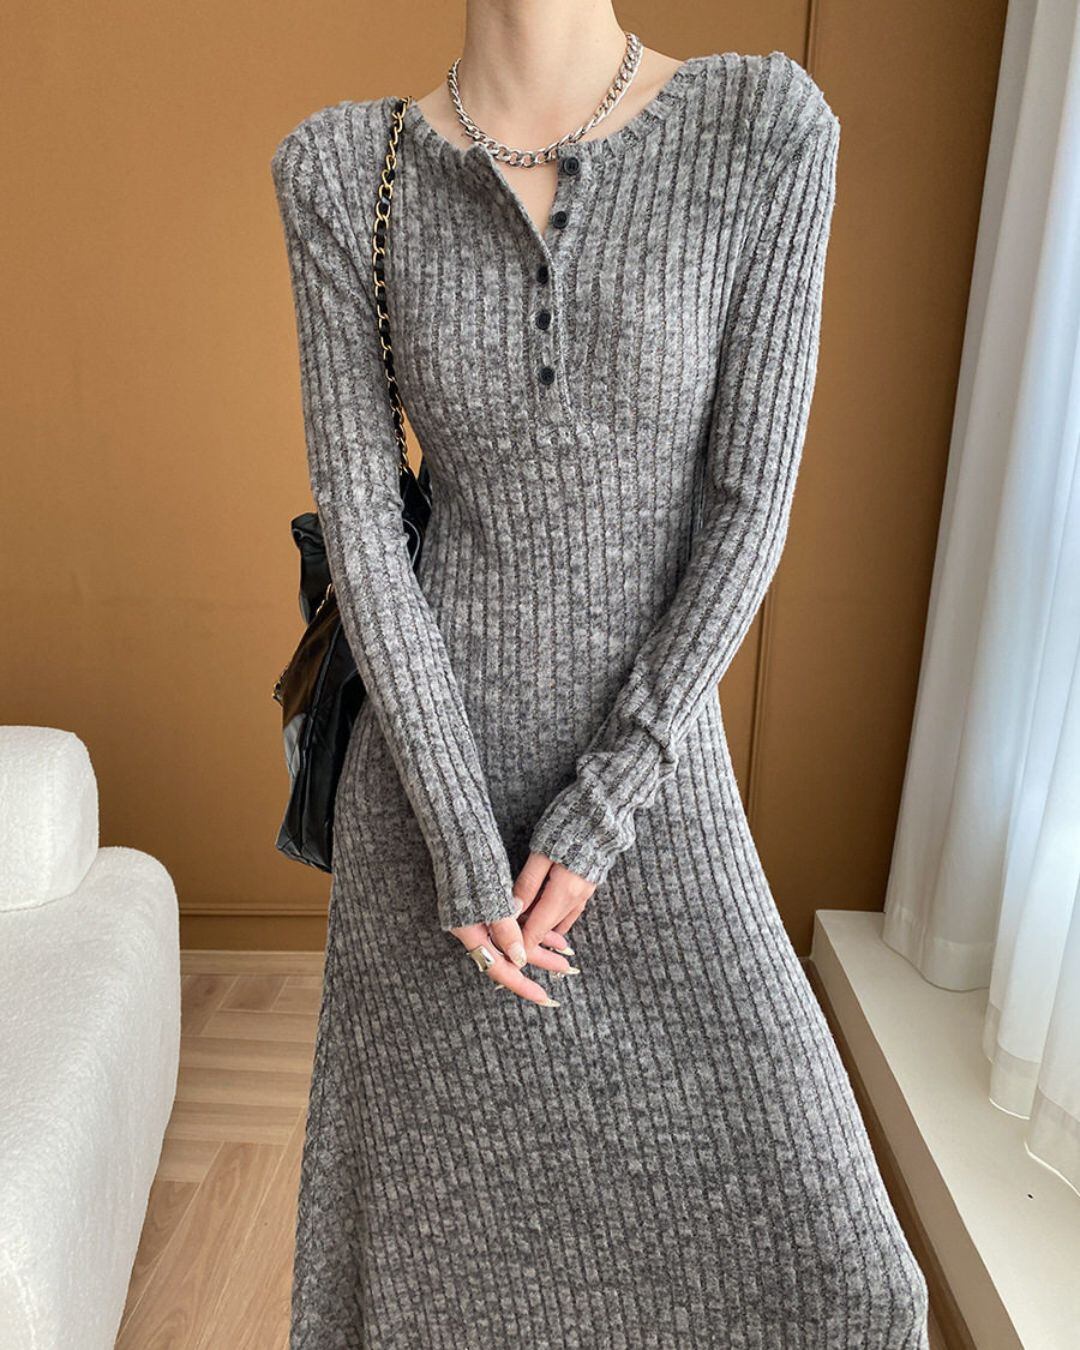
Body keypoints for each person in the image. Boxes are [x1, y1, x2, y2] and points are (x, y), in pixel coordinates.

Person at [270, 3, 931, 1345]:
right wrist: (462, 844)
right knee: (441, 1283)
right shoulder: (339, 169)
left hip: (650, 795)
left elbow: (748, 507)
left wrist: (604, 803)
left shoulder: (762, 127)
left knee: (856, 1288)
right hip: (430, 830)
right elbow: (366, 533)